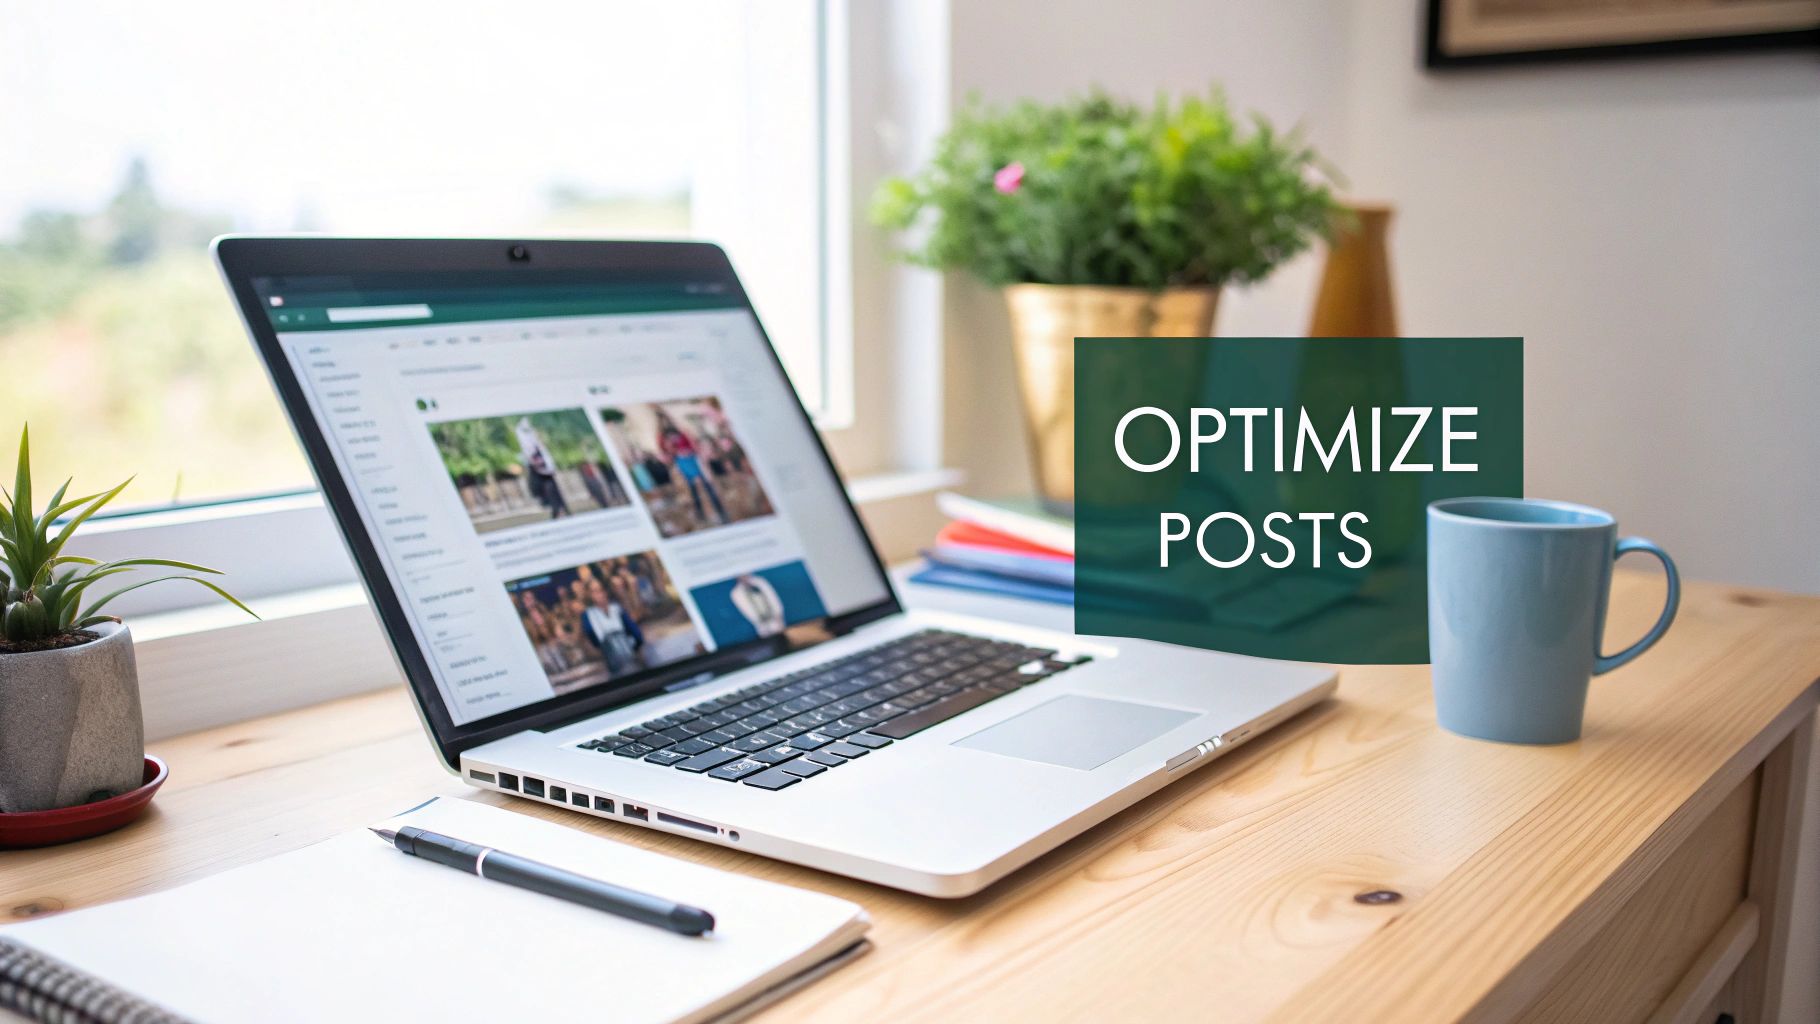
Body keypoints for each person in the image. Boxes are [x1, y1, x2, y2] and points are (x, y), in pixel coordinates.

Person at [656, 411, 727, 527]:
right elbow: (665, 451)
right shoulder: (662, 437)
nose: (666, 422)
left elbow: (693, 444)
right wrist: (674, 451)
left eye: (667, 420)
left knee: (707, 486)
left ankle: (720, 511)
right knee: (692, 489)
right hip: (682, 462)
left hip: (692, 459)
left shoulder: (681, 432)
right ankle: (701, 514)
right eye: (663, 420)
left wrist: (692, 452)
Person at [581, 579, 644, 676]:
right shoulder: (588, 614)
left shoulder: (616, 607)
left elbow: (633, 629)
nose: (599, 594)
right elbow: (592, 636)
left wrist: (636, 644)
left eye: (601, 590)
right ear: (590, 595)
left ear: (605, 591)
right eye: (594, 591)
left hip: (629, 652)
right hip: (611, 657)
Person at [515, 417, 569, 519]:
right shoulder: (529, 446)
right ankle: (558, 511)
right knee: (549, 491)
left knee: (552, 491)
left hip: (545, 472)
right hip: (540, 473)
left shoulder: (538, 448)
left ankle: (559, 511)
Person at [730, 573, 787, 638]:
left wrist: (779, 617)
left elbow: (773, 598)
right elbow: (746, 611)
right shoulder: (736, 593)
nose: (743, 576)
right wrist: (760, 624)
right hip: (762, 625)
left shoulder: (760, 581)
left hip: (777, 620)